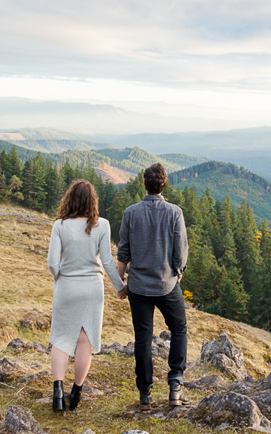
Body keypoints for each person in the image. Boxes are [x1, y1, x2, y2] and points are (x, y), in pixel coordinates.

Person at [47, 179, 125, 413]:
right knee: (85, 341)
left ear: (69, 199)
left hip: (67, 287)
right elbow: (109, 262)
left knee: (61, 340)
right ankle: (77, 393)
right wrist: (120, 287)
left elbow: (52, 262)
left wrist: (60, 277)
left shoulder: (60, 225)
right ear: (93, 202)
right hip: (92, 289)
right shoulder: (102, 225)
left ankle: (58, 394)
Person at [116, 162, 189, 410]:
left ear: (144, 184)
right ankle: (175, 385)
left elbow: (123, 253)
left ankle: (145, 395)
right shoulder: (175, 212)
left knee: (143, 339)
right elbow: (180, 253)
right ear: (163, 184)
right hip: (167, 284)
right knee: (179, 328)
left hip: (138, 287)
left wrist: (121, 284)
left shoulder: (130, 213)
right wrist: (178, 273)